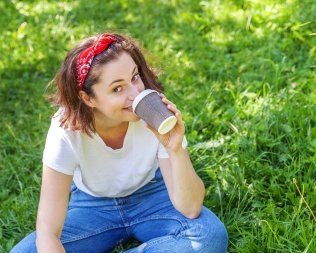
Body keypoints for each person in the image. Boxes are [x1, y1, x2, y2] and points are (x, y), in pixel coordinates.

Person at [11, 33, 228, 253]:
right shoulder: (65, 129)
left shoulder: (154, 110)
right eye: (117, 88)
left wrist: (176, 150)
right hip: (92, 206)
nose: (135, 94)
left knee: (209, 236)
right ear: (88, 98)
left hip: (152, 193)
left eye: (135, 77)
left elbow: (191, 209)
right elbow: (47, 230)